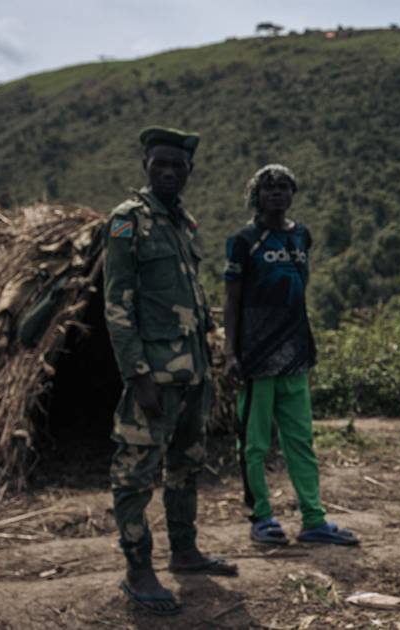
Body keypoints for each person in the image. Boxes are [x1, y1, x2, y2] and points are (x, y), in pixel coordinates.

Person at [104, 126, 237, 616]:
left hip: (194, 372)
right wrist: (137, 374)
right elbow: (116, 306)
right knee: (136, 471)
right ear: (145, 163)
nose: (167, 172)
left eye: (177, 165)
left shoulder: (184, 223)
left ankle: (185, 552)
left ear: (189, 171)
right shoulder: (126, 221)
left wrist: (209, 365)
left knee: (186, 465)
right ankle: (138, 569)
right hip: (154, 373)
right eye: (159, 163)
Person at [223, 164, 359, 547]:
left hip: (296, 355)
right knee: (254, 443)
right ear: (256, 195)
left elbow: (301, 286)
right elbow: (232, 297)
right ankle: (261, 517)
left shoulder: (301, 236)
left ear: (293, 193)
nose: (277, 194)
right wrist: (230, 351)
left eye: (283, 187)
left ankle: (313, 519)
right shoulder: (244, 240)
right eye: (269, 188)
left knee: (300, 440)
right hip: (255, 358)